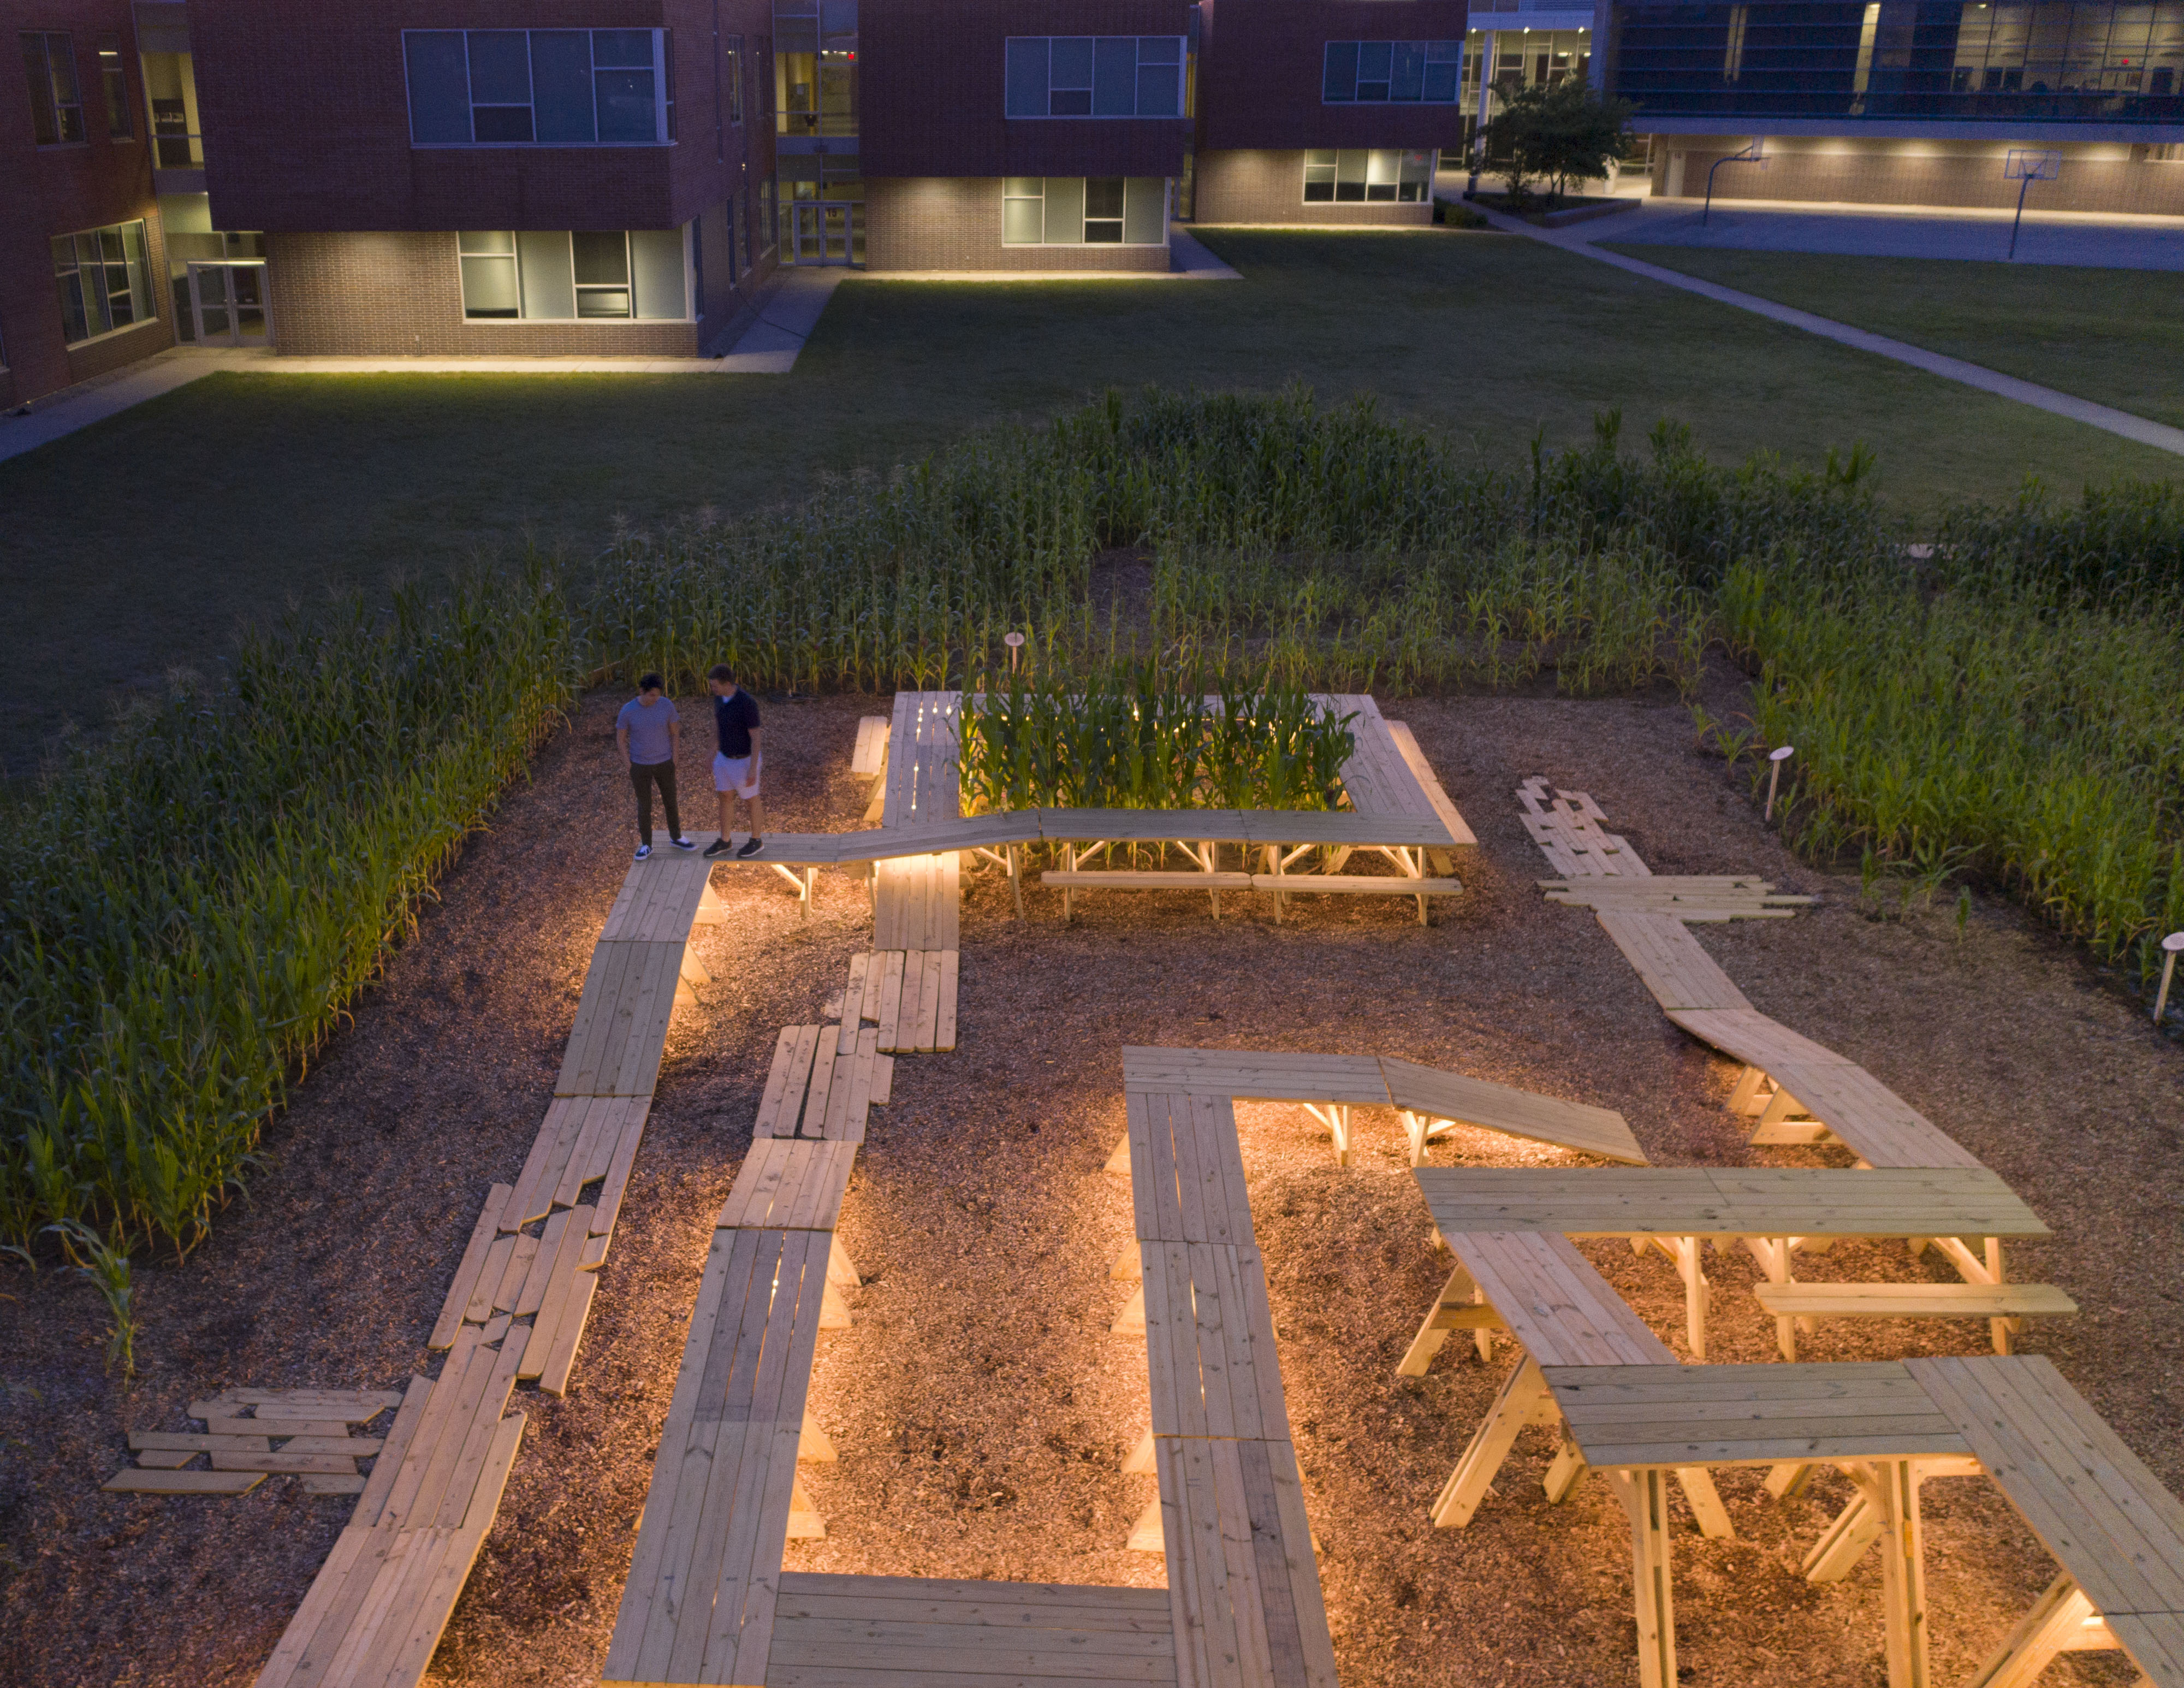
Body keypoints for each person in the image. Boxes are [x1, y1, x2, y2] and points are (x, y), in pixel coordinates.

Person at [616, 674, 695, 860]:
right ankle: (647, 845)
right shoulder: (628, 710)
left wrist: (674, 758)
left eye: (658, 694)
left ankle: (676, 837)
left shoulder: (667, 706)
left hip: (665, 763)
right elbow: (620, 739)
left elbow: (675, 733)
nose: (655, 698)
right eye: (651, 695)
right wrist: (629, 766)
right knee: (644, 805)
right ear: (641, 691)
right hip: (640, 766)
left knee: (671, 801)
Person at [702, 664, 765, 858]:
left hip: (744, 760)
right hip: (724, 758)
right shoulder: (719, 699)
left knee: (751, 800)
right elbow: (717, 726)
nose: (712, 689)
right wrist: (711, 752)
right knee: (725, 797)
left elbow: (756, 738)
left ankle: (756, 840)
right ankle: (725, 840)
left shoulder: (747, 703)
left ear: (727, 683)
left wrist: (753, 769)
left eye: (715, 686)